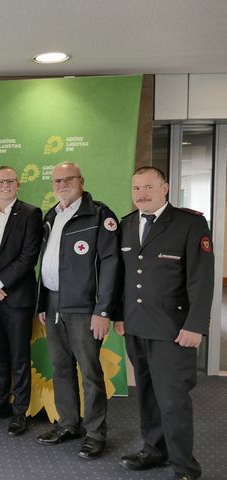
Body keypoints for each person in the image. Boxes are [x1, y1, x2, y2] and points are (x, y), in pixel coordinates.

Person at [114, 167, 213, 480]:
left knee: (173, 400)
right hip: (136, 326)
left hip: (174, 330)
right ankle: (154, 451)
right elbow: (122, 278)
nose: (142, 194)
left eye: (148, 187)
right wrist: (118, 315)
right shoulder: (127, 224)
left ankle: (185, 466)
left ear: (165, 188)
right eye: (136, 189)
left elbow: (201, 278)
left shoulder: (190, 223)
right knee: (146, 395)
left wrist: (195, 325)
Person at [36, 162, 120, 460]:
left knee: (90, 372)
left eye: (67, 179)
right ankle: (68, 424)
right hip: (53, 304)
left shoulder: (99, 215)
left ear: (81, 181)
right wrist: (43, 302)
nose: (61, 184)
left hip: (86, 308)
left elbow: (111, 264)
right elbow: (47, 263)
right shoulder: (52, 215)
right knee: (60, 368)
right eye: (56, 180)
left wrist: (104, 311)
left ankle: (96, 433)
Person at [0, 166, 43, 436]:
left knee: (19, 357)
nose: (5, 185)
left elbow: (28, 256)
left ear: (18, 184)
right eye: (0, 181)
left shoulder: (30, 213)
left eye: (10, 181)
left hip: (16, 298)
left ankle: (19, 411)